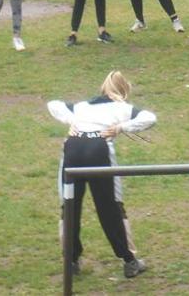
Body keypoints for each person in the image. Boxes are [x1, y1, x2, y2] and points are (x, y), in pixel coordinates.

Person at [47, 71, 154, 280]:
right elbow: (150, 118)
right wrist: (121, 128)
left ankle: (70, 260)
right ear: (123, 91)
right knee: (112, 206)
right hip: (99, 150)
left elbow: (53, 104)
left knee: (69, 205)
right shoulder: (123, 108)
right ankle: (129, 260)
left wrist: (73, 122)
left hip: (73, 148)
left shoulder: (82, 106)